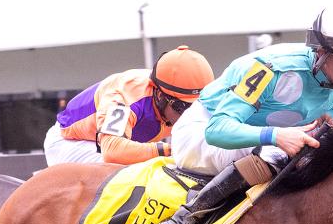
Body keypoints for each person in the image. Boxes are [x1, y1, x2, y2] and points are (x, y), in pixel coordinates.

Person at [155, 8, 333, 224]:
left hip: (250, 143)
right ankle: (184, 220)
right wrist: (276, 136)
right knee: (281, 151)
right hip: (200, 134)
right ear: (322, 53)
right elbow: (217, 130)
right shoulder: (271, 69)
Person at [43, 45, 214, 166]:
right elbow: (112, 151)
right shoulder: (124, 97)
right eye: (182, 107)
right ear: (160, 95)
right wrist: (173, 149)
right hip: (73, 143)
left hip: (115, 145)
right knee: (137, 170)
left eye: (196, 106)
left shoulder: (188, 100)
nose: (189, 115)